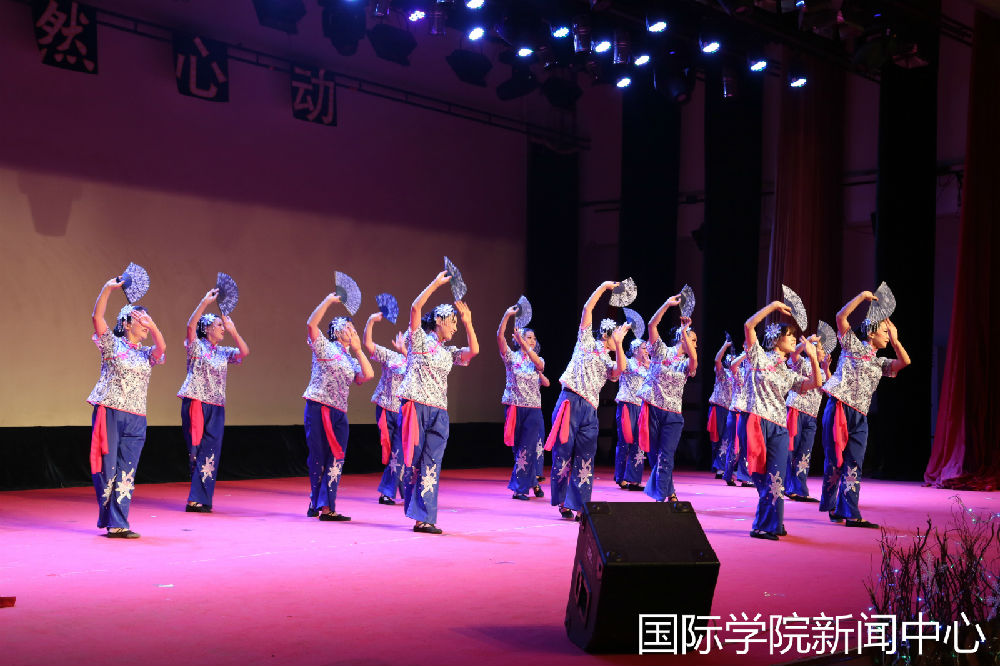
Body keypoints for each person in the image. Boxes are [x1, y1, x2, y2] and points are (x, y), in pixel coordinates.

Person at [396, 271, 479, 534]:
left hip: (439, 412)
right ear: (439, 321)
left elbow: (474, 351)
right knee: (415, 462)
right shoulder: (419, 340)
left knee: (432, 463)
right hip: (416, 406)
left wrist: (467, 322)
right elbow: (415, 308)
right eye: (452, 322)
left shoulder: (449, 352)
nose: (454, 328)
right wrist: (435, 283)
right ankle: (417, 513)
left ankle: (425, 518)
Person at [819, 291, 910, 528]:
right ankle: (833, 506)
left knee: (854, 462)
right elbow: (840, 317)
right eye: (884, 332)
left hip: (860, 416)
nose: (887, 336)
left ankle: (850, 511)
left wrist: (896, 341)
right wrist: (861, 297)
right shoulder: (853, 346)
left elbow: (904, 362)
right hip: (839, 409)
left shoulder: (880, 363)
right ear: (871, 333)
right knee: (835, 460)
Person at [86, 276, 166, 539]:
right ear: (126, 323)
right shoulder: (112, 345)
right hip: (110, 411)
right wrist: (107, 288)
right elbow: (97, 318)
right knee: (108, 469)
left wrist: (154, 327)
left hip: (137, 417)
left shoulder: (145, 354)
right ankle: (110, 519)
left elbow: (161, 349)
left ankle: (119, 522)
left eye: (148, 319)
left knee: (127, 471)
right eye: (141, 319)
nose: (146, 324)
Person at [740, 301, 822, 540]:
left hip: (779, 426)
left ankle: (769, 524)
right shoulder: (758, 357)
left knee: (777, 477)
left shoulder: (787, 372)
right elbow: (748, 326)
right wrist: (773, 306)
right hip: (756, 421)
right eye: (789, 335)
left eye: (795, 336)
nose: (794, 339)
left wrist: (813, 358)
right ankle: (766, 523)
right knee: (761, 476)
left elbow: (815, 383)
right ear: (776, 339)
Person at [545, 281, 626, 520]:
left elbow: (620, 370)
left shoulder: (609, 360)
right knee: (563, 452)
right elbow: (587, 308)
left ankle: (580, 504)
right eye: (614, 336)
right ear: (606, 334)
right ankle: (563, 501)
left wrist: (620, 344)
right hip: (570, 401)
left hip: (590, 409)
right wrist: (603, 287)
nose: (616, 339)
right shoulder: (586, 341)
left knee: (586, 457)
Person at [303, 293, 374, 522]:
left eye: (354, 329)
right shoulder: (325, 346)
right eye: (349, 328)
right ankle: (316, 502)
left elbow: (368, 375)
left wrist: (358, 350)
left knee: (336, 458)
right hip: (319, 407)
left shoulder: (350, 359)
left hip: (339, 412)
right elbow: (311, 325)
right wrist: (328, 301)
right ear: (337, 331)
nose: (353, 331)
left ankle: (326, 507)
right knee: (318, 456)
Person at [177, 288, 250, 513]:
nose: (222, 328)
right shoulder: (196, 346)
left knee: (211, 453)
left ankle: (202, 498)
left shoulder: (223, 352)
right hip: (197, 402)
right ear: (207, 328)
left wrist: (234, 330)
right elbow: (190, 326)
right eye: (219, 325)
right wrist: (204, 303)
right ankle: (194, 499)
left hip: (217, 406)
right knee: (196, 450)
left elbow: (244, 352)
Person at [638, 294, 698, 503]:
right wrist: (666, 305)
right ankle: (668, 491)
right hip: (652, 408)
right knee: (656, 456)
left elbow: (694, 360)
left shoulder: (686, 364)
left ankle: (660, 498)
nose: (695, 345)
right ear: (682, 338)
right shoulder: (660, 350)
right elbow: (651, 325)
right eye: (693, 340)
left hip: (673, 415)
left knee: (666, 455)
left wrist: (685, 332)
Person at [498, 307, 549, 500]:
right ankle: (533, 482)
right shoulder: (511, 357)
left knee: (528, 447)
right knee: (518, 447)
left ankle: (519, 489)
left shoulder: (537, 360)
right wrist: (506, 315)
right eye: (528, 337)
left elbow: (540, 366)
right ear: (519, 339)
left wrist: (526, 346)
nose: (532, 341)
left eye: (534, 338)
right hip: (514, 407)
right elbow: (499, 337)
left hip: (533, 409)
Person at [363, 312, 408, 505]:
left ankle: (387, 492)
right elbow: (368, 345)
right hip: (386, 408)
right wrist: (370, 321)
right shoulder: (391, 356)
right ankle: (401, 490)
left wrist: (407, 352)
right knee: (392, 452)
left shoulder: (419, 364)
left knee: (399, 452)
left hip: (406, 413)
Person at [783, 335, 831, 502]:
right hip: (795, 411)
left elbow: (830, 391)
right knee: (790, 450)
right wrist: (808, 342)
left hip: (811, 416)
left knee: (804, 454)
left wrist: (826, 369)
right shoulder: (802, 363)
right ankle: (785, 486)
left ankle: (800, 489)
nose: (824, 352)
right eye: (821, 349)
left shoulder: (821, 372)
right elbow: (794, 354)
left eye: (824, 350)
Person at [614, 338, 650, 491]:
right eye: (644, 348)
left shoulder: (648, 366)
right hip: (627, 405)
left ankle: (634, 480)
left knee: (639, 443)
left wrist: (649, 366)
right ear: (635, 350)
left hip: (641, 407)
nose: (647, 351)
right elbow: (620, 363)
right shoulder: (628, 363)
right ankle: (621, 477)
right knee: (625, 441)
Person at [706, 336, 736, 479]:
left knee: (727, 438)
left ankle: (721, 466)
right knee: (717, 438)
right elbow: (717, 360)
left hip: (731, 410)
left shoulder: (739, 374)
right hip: (718, 408)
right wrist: (725, 345)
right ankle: (717, 465)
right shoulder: (721, 372)